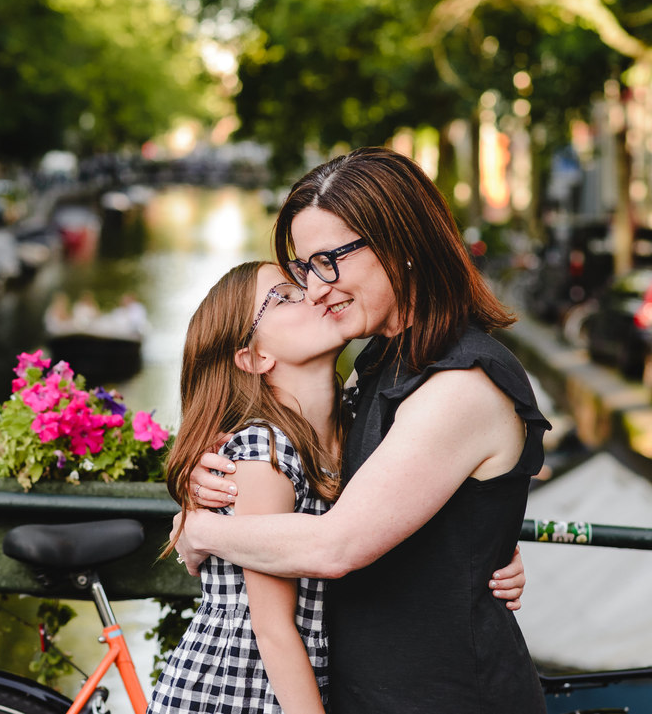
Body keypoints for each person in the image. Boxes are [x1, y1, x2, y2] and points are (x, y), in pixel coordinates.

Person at [176, 146, 549, 713]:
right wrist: (206, 488)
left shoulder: (462, 384)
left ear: (399, 246)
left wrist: (201, 533)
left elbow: (337, 544)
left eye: (328, 261)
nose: (316, 288)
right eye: (305, 270)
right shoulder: (379, 362)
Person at [149, 261, 344, 714]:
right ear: (255, 358)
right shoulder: (266, 449)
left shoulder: (350, 426)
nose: (313, 294)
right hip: (241, 687)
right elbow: (273, 628)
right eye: (285, 297)